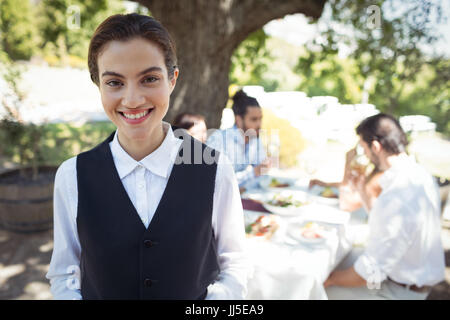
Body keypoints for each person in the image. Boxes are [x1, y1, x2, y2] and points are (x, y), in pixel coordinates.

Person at [46, 13, 248, 300]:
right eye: (115, 82)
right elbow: (65, 273)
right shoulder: (71, 176)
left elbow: (235, 264)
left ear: (172, 80)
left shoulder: (215, 168)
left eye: (149, 79)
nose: (132, 100)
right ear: (99, 85)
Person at [324, 113, 445, 300]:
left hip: (398, 292)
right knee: (339, 258)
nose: (364, 155)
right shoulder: (417, 175)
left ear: (375, 147)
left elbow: (369, 273)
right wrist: (362, 191)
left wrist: (328, 279)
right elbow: (390, 225)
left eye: (364, 149)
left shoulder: (398, 195)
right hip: (408, 279)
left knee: (317, 289)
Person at [206, 90, 270, 192]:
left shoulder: (255, 139)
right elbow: (218, 181)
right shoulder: (219, 140)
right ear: (239, 120)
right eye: (254, 119)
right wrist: (253, 173)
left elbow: (262, 175)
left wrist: (246, 185)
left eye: (260, 119)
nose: (259, 124)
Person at [309, 146, 384, 213]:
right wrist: (325, 184)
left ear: (375, 147)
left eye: (364, 147)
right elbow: (354, 187)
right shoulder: (377, 170)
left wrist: (348, 165)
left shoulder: (381, 175)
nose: (364, 153)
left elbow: (346, 205)